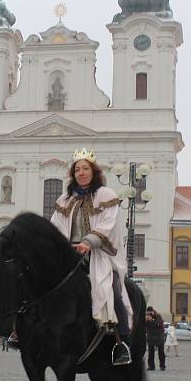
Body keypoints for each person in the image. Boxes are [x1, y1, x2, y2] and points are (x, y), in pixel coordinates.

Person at [50, 148, 134, 366]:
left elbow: (110, 223)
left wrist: (88, 242)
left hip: (98, 254)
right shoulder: (65, 199)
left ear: (94, 171)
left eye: (85, 168)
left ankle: (121, 342)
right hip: (70, 256)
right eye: (77, 169)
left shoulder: (106, 194)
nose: (81, 173)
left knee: (112, 289)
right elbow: (55, 226)